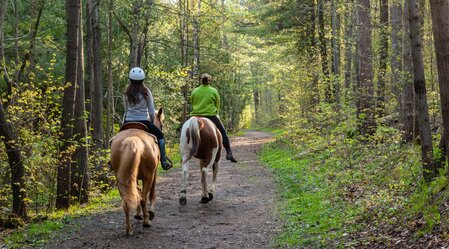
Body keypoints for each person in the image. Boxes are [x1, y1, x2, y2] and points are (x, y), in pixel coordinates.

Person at [123, 67, 173, 170]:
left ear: (130, 79)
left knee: (115, 139)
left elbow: (126, 109)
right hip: (143, 121)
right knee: (160, 136)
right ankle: (163, 161)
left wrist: (126, 120)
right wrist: (151, 121)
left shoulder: (127, 92)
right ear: (143, 80)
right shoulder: (146, 92)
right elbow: (151, 111)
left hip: (128, 121)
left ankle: (112, 161)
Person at [190, 73, 237, 163]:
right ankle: (229, 152)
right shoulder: (214, 91)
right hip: (210, 115)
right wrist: (216, 113)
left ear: (201, 80)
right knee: (223, 132)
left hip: (195, 115)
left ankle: (183, 153)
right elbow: (217, 105)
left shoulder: (195, 91)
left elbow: (192, 103)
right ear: (209, 81)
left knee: (184, 131)